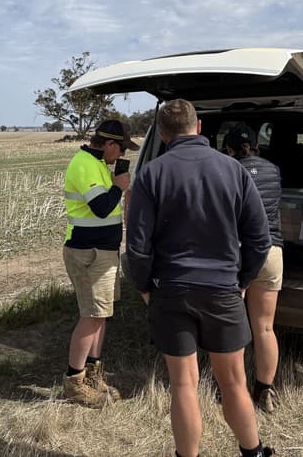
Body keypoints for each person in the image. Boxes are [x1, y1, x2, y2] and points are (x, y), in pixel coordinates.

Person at [125, 99, 274, 457]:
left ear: (162, 134)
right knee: (235, 381)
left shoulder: (150, 174)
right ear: (200, 126)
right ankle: (252, 453)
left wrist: (145, 286)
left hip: (171, 290)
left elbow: (137, 246)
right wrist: (242, 279)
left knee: (183, 385)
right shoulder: (234, 171)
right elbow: (260, 239)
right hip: (222, 289)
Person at [61, 119, 139, 407]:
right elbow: (102, 207)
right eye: (119, 149)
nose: (119, 155)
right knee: (91, 316)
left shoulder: (98, 164)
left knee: (101, 314)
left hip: (101, 252)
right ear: (108, 144)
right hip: (87, 252)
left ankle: (93, 374)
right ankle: (75, 382)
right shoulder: (84, 164)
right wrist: (119, 186)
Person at [223, 123, 284, 414]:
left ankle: (233, 391)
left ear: (230, 149)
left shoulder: (228, 171)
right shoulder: (274, 170)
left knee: (232, 327)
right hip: (272, 252)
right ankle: (264, 391)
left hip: (237, 253)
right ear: (258, 145)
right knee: (265, 327)